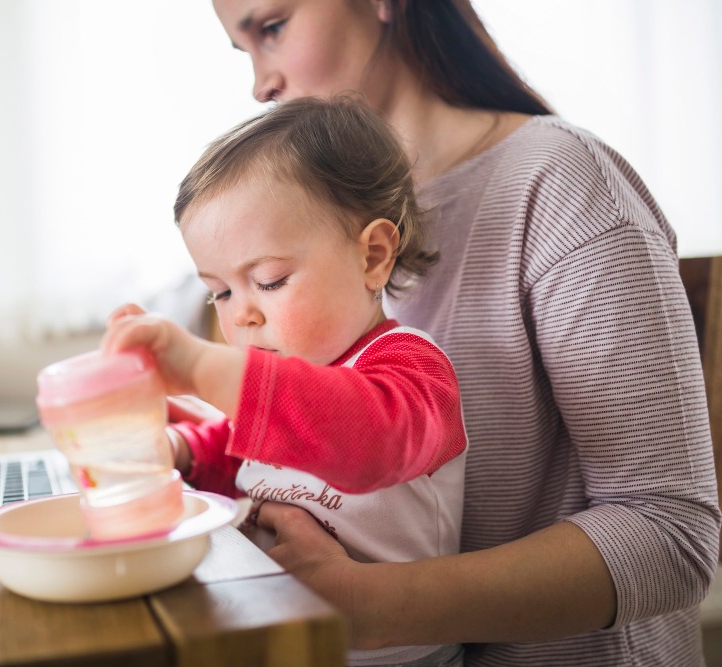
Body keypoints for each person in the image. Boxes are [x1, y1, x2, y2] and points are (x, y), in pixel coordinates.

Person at [204, 1, 722, 666]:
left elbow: (668, 537)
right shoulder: (318, 231)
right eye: (242, 49)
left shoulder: (563, 183)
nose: (259, 84)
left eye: (271, 29)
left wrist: (367, 603)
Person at [102, 96, 468, 667]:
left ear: (372, 256)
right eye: (221, 292)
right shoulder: (280, 391)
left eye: (269, 281)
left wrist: (202, 368)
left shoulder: (409, 368)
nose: (240, 315)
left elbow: (366, 443)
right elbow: (244, 449)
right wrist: (176, 450)